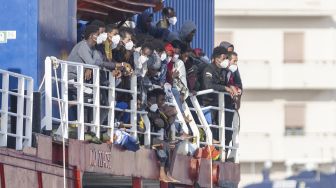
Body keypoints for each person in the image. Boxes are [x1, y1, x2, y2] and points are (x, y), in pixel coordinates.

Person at [202, 46, 238, 146]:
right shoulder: (209, 69)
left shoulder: (223, 71)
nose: (226, 60)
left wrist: (232, 88)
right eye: (224, 58)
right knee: (214, 129)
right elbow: (208, 85)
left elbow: (227, 83)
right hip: (208, 103)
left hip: (219, 105)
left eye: (227, 58)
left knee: (227, 132)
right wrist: (225, 88)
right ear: (217, 58)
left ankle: (223, 151)